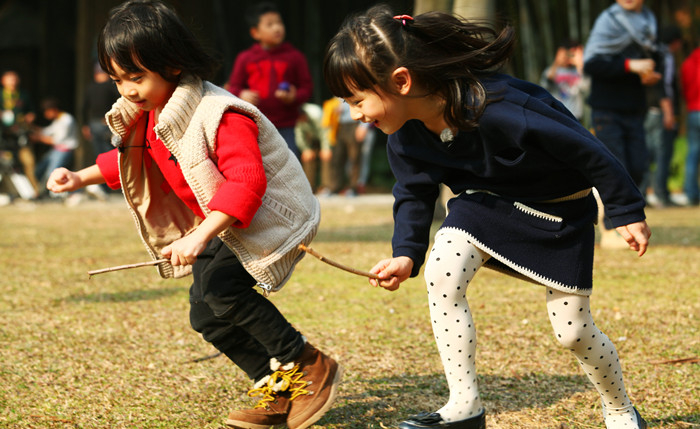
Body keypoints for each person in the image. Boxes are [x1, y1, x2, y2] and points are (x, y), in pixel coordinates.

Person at [324, 5, 650, 429]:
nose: (356, 114)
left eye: (358, 100)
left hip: (559, 211)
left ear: (401, 81)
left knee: (573, 333)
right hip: (486, 206)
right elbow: (413, 193)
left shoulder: (497, 105)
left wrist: (624, 210)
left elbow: (587, 149)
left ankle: (620, 408)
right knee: (443, 270)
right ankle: (464, 406)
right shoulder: (404, 136)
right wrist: (405, 253)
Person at [46, 2, 341, 428]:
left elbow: (247, 183)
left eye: (136, 77)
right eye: (117, 79)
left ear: (172, 64)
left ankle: (310, 362)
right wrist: (79, 177)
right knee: (205, 314)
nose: (127, 90)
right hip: (222, 219)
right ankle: (277, 383)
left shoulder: (218, 114)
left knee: (222, 289)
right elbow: (132, 160)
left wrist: (200, 235)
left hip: (269, 216)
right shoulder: (153, 114)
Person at [583, 0, 660, 246]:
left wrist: (650, 73)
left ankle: (619, 219)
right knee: (616, 169)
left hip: (634, 108)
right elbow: (592, 63)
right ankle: (612, 230)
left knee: (638, 167)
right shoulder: (609, 20)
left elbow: (654, 55)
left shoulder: (648, 21)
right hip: (607, 109)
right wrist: (628, 65)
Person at [226, 2, 313, 159]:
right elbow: (233, 87)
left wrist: (294, 97)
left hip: (287, 125)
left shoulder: (295, 57)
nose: (277, 28)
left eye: (279, 22)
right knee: (258, 165)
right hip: (255, 124)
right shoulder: (245, 58)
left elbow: (307, 88)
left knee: (290, 166)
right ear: (255, 33)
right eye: (270, 24)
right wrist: (242, 94)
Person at [644, 25, 683, 208]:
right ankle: (660, 194)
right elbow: (662, 85)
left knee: (648, 154)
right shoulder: (663, 56)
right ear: (675, 42)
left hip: (648, 110)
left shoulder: (651, 52)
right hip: (660, 111)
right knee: (662, 154)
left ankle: (643, 192)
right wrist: (669, 112)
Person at [32, 97, 80, 198]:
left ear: (54, 109)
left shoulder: (66, 119)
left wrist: (39, 138)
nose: (46, 115)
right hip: (56, 151)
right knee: (39, 170)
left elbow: (58, 139)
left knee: (53, 173)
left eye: (47, 112)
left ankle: (58, 195)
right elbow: (47, 131)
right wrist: (32, 128)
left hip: (64, 151)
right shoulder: (58, 119)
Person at [1, 70, 39, 194]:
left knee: (28, 161)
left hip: (21, 134)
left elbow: (32, 112)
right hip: (3, 136)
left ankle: (34, 192)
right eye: (10, 79)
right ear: (3, 81)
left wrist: (30, 117)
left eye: (15, 78)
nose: (13, 81)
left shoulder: (23, 95)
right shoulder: (1, 95)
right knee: (5, 164)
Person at [539, 39, 589, 124]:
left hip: (575, 116)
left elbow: (586, 89)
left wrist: (580, 64)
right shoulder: (551, 71)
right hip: (556, 115)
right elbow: (544, 86)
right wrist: (556, 63)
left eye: (572, 54)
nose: (568, 57)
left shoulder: (580, 72)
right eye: (566, 53)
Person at [680, 41, 700, 206]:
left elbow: (684, 88)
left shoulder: (687, 63)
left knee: (693, 154)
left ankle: (691, 191)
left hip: (693, 111)